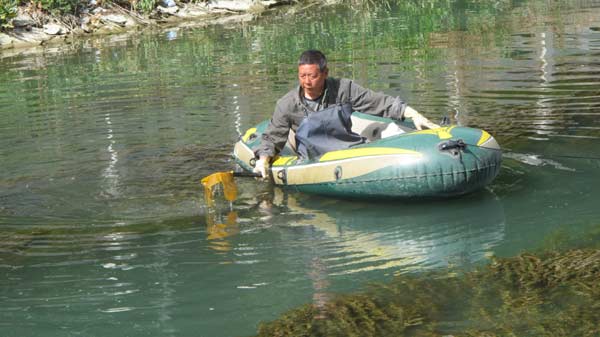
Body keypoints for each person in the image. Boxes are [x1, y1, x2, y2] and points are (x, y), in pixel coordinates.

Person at [253, 50, 439, 178]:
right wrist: (263, 161)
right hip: (314, 161)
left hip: (351, 153)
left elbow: (377, 102)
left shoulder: (343, 89)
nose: (307, 82)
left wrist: (412, 113)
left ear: (325, 73)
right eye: (302, 76)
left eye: (312, 76)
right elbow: (273, 137)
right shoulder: (287, 104)